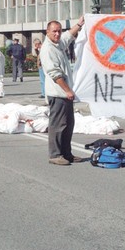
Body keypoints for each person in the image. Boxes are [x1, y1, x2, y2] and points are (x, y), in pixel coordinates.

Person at [40, 17, 84, 165]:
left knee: (68, 124)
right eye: (54, 32)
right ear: (47, 32)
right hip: (57, 93)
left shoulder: (58, 44)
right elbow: (55, 74)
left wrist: (79, 24)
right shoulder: (48, 49)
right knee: (58, 125)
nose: (57, 34)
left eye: (59, 31)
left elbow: (68, 36)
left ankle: (66, 153)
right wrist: (68, 90)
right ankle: (55, 154)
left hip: (65, 94)